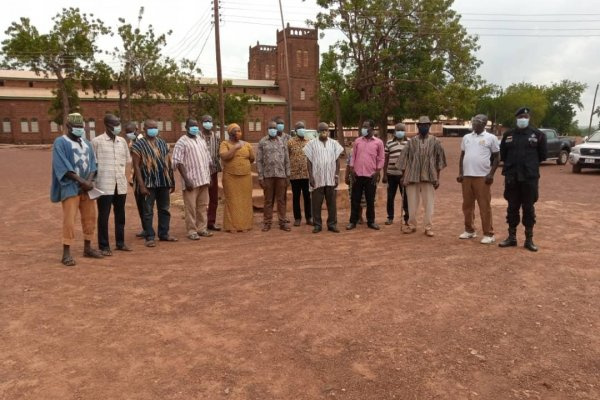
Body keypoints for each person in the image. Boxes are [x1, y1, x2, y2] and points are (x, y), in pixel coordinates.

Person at [51, 112, 103, 266]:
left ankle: (88, 247)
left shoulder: (86, 143)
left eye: (82, 127)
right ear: (68, 126)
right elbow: (62, 166)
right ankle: (66, 253)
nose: (80, 129)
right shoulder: (60, 142)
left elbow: (93, 164)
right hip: (70, 187)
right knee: (69, 219)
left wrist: (89, 181)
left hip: (86, 189)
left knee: (90, 218)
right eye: (77, 127)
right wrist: (81, 181)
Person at [498, 107, 547, 251]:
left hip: (529, 178)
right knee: (512, 207)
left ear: (529, 118)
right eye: (520, 117)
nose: (522, 119)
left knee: (528, 208)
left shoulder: (538, 135)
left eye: (525, 116)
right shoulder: (508, 135)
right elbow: (504, 154)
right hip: (512, 177)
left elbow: (542, 156)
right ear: (516, 118)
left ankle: (529, 240)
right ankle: (511, 238)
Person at [131, 119, 177, 247]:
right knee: (148, 211)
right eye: (151, 127)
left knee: (164, 209)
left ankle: (164, 234)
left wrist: (171, 181)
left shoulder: (162, 143)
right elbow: (136, 167)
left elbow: (168, 162)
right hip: (148, 183)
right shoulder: (138, 145)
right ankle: (149, 236)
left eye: (155, 127)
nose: (153, 130)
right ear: (144, 129)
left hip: (163, 182)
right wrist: (141, 185)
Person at [399, 116, 447, 237]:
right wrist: (404, 176)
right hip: (412, 176)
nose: (423, 127)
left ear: (429, 126)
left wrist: (437, 178)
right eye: (421, 125)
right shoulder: (411, 141)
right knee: (412, 203)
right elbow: (403, 158)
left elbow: (439, 160)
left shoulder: (435, 141)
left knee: (429, 203)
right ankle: (412, 225)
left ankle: (428, 227)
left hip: (429, 176)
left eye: (426, 125)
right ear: (418, 126)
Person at [92, 114, 132, 256]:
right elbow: (93, 165)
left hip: (120, 184)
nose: (118, 127)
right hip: (104, 185)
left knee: (120, 215)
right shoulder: (97, 142)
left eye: (119, 123)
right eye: (115, 124)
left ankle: (120, 243)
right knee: (104, 216)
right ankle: (104, 245)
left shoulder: (122, 142)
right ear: (107, 125)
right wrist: (93, 187)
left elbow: (126, 161)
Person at [456, 114, 500, 244]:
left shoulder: (491, 138)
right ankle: (469, 230)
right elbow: (462, 156)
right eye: (473, 121)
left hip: (482, 177)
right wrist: (460, 173)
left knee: (484, 206)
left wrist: (491, 174)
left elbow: (497, 157)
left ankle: (489, 234)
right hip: (467, 177)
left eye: (476, 122)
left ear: (484, 123)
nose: (474, 124)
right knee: (467, 206)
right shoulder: (466, 137)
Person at [172, 118, 213, 240]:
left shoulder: (200, 140)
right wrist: (186, 179)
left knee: (203, 205)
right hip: (191, 181)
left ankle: (202, 228)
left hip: (203, 179)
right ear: (186, 127)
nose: (195, 128)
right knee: (190, 207)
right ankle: (191, 230)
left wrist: (209, 176)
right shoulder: (181, 142)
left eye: (196, 126)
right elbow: (178, 162)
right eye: (192, 126)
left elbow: (208, 159)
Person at [304, 122, 344, 233]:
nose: (324, 132)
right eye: (321, 130)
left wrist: (336, 175)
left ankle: (332, 224)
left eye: (325, 130)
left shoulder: (334, 143)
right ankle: (317, 225)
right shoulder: (311, 144)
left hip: (331, 178)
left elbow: (337, 161)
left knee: (332, 204)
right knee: (316, 204)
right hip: (317, 179)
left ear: (328, 131)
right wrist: (311, 176)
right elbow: (309, 161)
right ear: (317, 132)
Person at [346, 119, 385, 230]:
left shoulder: (378, 142)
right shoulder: (358, 141)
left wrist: (377, 172)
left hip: (371, 176)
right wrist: (352, 169)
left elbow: (381, 158)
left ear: (372, 128)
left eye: (365, 126)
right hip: (357, 175)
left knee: (370, 200)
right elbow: (353, 156)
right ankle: (352, 222)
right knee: (355, 199)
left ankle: (371, 222)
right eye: (363, 126)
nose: (363, 128)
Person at [219, 123, 255, 232]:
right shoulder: (225, 144)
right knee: (232, 201)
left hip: (245, 177)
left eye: (239, 131)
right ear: (229, 133)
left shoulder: (247, 145)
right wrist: (235, 148)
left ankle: (245, 225)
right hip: (230, 177)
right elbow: (224, 156)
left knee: (245, 200)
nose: (237, 133)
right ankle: (231, 226)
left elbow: (252, 158)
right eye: (235, 131)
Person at [257, 120, 291, 231]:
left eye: (274, 128)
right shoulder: (262, 142)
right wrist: (261, 176)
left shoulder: (282, 141)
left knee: (281, 200)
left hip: (281, 175)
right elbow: (259, 160)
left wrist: (288, 175)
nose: (273, 130)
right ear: (267, 129)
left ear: (277, 130)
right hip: (268, 176)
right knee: (268, 200)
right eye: (270, 128)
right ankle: (267, 222)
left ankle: (282, 222)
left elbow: (287, 159)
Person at [382, 122, 410, 230]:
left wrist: (407, 174)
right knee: (390, 197)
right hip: (391, 174)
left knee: (406, 198)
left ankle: (407, 218)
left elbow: (410, 159)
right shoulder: (389, 143)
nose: (400, 132)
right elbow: (386, 159)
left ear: (405, 131)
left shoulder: (409, 142)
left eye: (402, 130)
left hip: (404, 175)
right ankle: (390, 217)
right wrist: (384, 174)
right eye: (398, 130)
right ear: (394, 132)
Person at [288, 120, 312, 226]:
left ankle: (309, 217)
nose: (302, 129)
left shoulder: (309, 142)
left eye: (303, 127)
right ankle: (297, 218)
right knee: (296, 197)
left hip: (307, 175)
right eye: (299, 128)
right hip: (295, 175)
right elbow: (287, 157)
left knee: (307, 197)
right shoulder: (290, 142)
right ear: (296, 130)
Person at [200, 114, 222, 231]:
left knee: (213, 198)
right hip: (200, 172)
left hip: (213, 171)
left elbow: (218, 153)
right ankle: (200, 223)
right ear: (201, 123)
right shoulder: (197, 136)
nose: (208, 123)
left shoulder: (216, 136)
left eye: (210, 121)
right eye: (205, 121)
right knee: (201, 199)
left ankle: (211, 222)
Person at [125, 122, 146, 238]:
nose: (129, 134)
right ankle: (145, 228)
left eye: (130, 131)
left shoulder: (143, 141)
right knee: (140, 204)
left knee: (145, 204)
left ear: (137, 129)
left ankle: (148, 228)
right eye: (127, 132)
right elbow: (133, 164)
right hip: (135, 178)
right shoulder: (132, 142)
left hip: (144, 178)